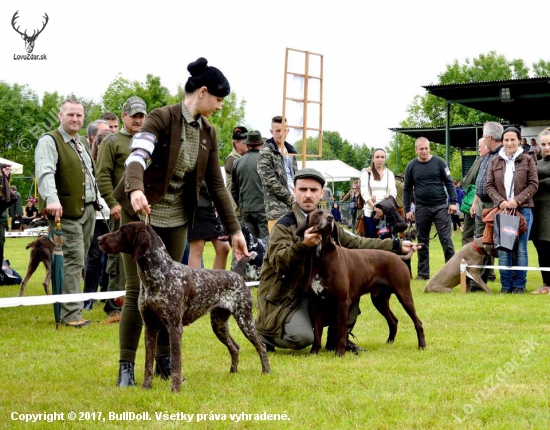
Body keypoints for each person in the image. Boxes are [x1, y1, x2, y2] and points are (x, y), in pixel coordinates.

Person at [112, 57, 248, 387]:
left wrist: (234, 230)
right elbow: (137, 156)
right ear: (203, 93)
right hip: (140, 213)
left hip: (175, 220)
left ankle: (163, 363)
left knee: (169, 295)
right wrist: (135, 189)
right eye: (218, 100)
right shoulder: (161, 117)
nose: (218, 106)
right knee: (138, 291)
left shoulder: (208, 133)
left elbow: (216, 184)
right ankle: (127, 368)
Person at [255, 168, 418, 352]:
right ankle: (265, 334)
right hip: (286, 297)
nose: (308, 195)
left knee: (350, 282)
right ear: (294, 192)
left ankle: (337, 339)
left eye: (313, 190)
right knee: (300, 338)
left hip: (312, 292)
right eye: (303, 189)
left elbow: (357, 243)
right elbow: (279, 262)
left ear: (321, 193)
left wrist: (396, 245)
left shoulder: (328, 221)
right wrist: (303, 244)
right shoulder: (284, 225)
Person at [35, 98, 98, 328]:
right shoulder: (49, 141)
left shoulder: (80, 143)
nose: (75, 119)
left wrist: (100, 204)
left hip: (88, 211)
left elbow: (89, 177)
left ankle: (71, 308)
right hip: (65, 212)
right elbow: (45, 172)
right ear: (60, 116)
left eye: (79, 115)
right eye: (70, 114)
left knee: (79, 261)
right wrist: (51, 198)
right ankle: (71, 315)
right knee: (72, 260)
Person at [95, 98, 147, 322]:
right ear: (123, 115)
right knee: (118, 258)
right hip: (121, 210)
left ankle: (142, 300)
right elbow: (102, 174)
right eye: (134, 115)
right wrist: (112, 202)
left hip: (146, 212)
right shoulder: (112, 141)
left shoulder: (149, 140)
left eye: (141, 116)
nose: (138, 120)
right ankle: (114, 305)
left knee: (145, 256)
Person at [486, 126, 538, 294]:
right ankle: (506, 286)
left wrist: (517, 200)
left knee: (521, 249)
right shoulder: (495, 160)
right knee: (504, 249)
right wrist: (500, 202)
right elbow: (489, 185)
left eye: (512, 140)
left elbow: (533, 184)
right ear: (503, 141)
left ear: (519, 140)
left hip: (524, 210)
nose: (509, 143)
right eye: (506, 140)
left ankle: (519, 286)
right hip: (503, 211)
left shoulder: (528, 159)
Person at [404, 137, 456, 280]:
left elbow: (449, 183)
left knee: (446, 240)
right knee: (422, 242)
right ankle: (423, 273)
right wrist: (408, 209)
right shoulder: (411, 166)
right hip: (421, 208)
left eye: (426, 148)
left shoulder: (439, 162)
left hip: (440, 206)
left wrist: (453, 202)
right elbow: (407, 189)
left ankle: (451, 272)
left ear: (429, 148)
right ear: (416, 150)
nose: (424, 151)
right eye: (421, 149)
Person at [475, 122, 504, 284]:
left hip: (494, 203)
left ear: (490, 137)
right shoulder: (488, 155)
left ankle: (507, 280)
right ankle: (479, 279)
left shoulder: (502, 156)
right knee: (481, 241)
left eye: (484, 136)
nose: (483, 140)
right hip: (482, 202)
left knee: (495, 242)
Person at [258, 116, 298, 232]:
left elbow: (294, 177)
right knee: (278, 246)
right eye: (278, 130)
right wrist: (291, 200)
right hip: (277, 209)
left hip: (295, 204)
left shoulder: (291, 151)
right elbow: (269, 181)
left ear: (288, 131)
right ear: (271, 132)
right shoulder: (266, 152)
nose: (281, 134)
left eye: (284, 130)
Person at [231, 130, 269, 238]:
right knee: (266, 243)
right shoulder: (266, 161)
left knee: (249, 244)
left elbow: (234, 189)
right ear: (261, 144)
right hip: (264, 209)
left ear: (247, 145)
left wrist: (242, 205)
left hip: (246, 209)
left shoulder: (237, 162)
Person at [188, 181, 230, 269]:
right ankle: (195, 283)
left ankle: (217, 282)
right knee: (197, 250)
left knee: (223, 248)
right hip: (197, 206)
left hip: (212, 207)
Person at [361, 148, 397, 239]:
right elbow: (364, 192)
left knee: (387, 241)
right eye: (377, 157)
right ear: (373, 159)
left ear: (385, 159)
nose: (380, 160)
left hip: (386, 212)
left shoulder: (390, 174)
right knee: (372, 240)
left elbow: (393, 192)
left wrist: (382, 209)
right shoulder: (366, 173)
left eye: (382, 157)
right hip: (370, 212)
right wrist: (374, 207)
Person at [532, 128, 550, 293]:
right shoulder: (536, 164)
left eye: (549, 143)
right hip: (538, 212)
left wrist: (539, 183)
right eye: (543, 144)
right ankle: (546, 285)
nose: (546, 147)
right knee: (541, 249)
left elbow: (534, 183)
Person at [461, 138, 488, 246]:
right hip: (479, 203)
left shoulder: (481, 160)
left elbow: (467, 181)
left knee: (470, 235)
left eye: (480, 146)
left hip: (477, 203)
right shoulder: (488, 159)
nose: (478, 149)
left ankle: (466, 261)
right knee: (485, 237)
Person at [225, 126, 249, 220]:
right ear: (237, 143)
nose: (247, 144)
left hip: (243, 209)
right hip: (236, 211)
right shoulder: (232, 159)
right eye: (245, 142)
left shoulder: (242, 158)